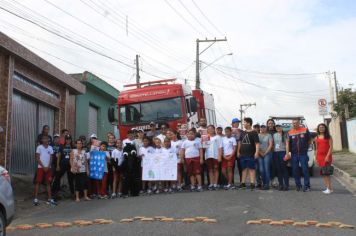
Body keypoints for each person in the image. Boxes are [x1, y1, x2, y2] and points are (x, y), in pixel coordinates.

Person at [285, 118, 311, 192]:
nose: (294, 124)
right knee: (295, 170)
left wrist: (306, 148)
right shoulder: (289, 132)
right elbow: (287, 144)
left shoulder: (305, 130)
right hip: (294, 154)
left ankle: (307, 186)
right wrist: (287, 154)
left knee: (305, 170)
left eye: (296, 123)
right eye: (293, 123)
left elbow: (309, 140)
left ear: (299, 123)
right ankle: (298, 185)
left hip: (303, 154)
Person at [33, 136, 57, 206]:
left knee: (48, 183)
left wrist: (48, 166)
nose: (46, 140)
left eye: (47, 139)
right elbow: (37, 158)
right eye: (44, 138)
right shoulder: (39, 147)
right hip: (41, 167)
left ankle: (49, 198)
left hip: (48, 168)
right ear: (42, 140)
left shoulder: (50, 148)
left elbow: (51, 158)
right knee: (38, 182)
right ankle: (35, 198)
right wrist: (43, 167)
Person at [237, 117, 259, 190]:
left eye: (245, 122)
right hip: (242, 154)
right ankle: (243, 183)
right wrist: (238, 151)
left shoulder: (254, 132)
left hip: (251, 154)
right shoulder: (242, 132)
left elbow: (257, 144)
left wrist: (256, 152)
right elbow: (239, 142)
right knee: (244, 169)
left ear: (249, 123)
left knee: (251, 169)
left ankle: (252, 184)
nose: (243, 124)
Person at [316, 123, 333, 194]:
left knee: (327, 173)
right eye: (320, 127)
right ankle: (328, 188)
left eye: (323, 127)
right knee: (323, 173)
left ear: (325, 128)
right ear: (318, 129)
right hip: (319, 157)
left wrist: (327, 156)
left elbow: (331, 147)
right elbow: (316, 148)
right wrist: (316, 157)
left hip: (326, 157)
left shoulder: (328, 136)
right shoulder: (317, 137)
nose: (321, 128)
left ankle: (329, 188)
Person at [205, 125, 222, 190]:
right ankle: (211, 183)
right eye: (208, 129)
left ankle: (215, 183)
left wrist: (219, 156)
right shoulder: (206, 137)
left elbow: (220, 147)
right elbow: (204, 147)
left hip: (215, 156)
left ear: (214, 129)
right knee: (210, 170)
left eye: (211, 129)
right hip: (208, 156)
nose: (210, 130)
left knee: (216, 169)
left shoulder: (218, 137)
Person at [273, 123, 289, 191]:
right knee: (278, 169)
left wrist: (287, 154)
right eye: (277, 127)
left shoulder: (285, 134)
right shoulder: (274, 135)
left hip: (283, 152)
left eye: (279, 127)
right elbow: (273, 144)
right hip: (276, 153)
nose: (278, 128)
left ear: (282, 127)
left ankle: (286, 185)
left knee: (284, 169)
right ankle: (281, 184)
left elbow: (287, 144)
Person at [258, 123, 273, 190]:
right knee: (261, 170)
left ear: (266, 128)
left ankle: (267, 184)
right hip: (259, 154)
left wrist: (265, 152)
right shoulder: (257, 135)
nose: (262, 128)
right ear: (260, 128)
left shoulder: (269, 135)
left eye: (264, 127)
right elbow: (256, 145)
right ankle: (263, 183)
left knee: (266, 169)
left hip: (267, 154)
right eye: (261, 127)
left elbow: (270, 145)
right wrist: (260, 152)